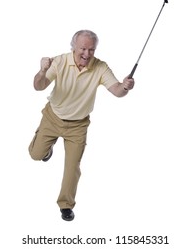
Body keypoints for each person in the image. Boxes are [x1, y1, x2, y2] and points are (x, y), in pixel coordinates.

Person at [28, 30, 135, 221]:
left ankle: (66, 205)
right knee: (35, 155)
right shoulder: (60, 61)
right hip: (53, 117)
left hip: (78, 126)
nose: (87, 54)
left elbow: (117, 91)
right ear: (73, 48)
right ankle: (46, 150)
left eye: (91, 49)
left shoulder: (100, 67)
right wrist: (42, 70)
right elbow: (39, 86)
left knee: (72, 167)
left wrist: (125, 86)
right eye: (83, 48)